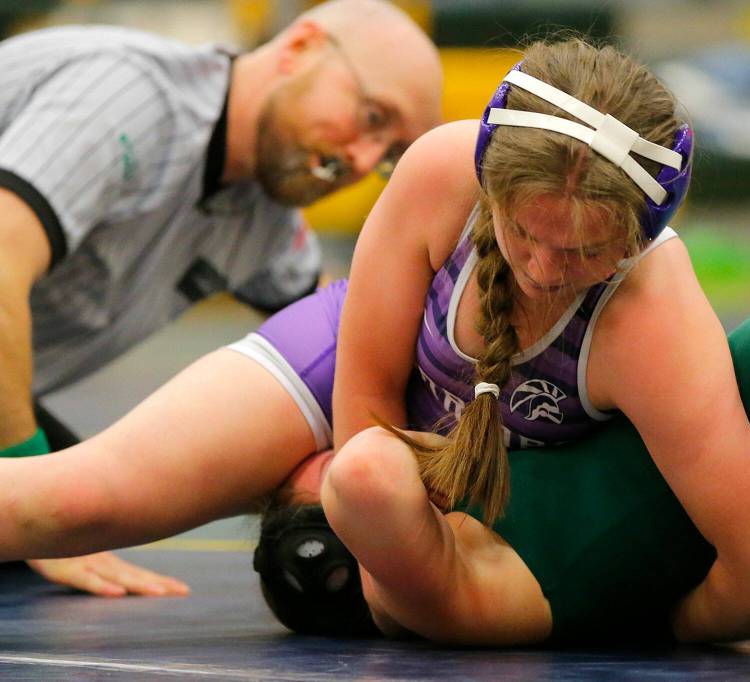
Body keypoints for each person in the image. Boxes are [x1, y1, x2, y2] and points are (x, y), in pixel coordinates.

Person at [1, 38, 750, 644]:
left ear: (640, 237)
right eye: (522, 233)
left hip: (530, 454)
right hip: (362, 370)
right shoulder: (440, 171)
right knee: (75, 500)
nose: (542, 270)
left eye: (580, 252)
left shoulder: (654, 318)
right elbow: (367, 417)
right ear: (486, 187)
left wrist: (616, 603)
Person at [0, 0, 442, 596]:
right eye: (370, 116)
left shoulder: (263, 221)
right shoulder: (128, 97)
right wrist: (34, 516)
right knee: (64, 509)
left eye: (388, 153)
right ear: (300, 48)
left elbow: (348, 351)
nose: (362, 160)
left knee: (102, 501)